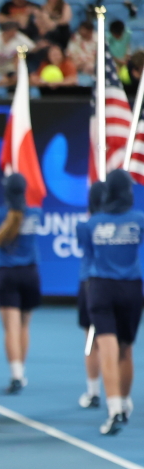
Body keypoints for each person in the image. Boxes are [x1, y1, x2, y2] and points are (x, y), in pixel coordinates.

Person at [85, 169, 144, 434]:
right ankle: (123, 403)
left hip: (101, 288)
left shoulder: (91, 224)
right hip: (131, 289)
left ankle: (115, 409)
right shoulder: (139, 220)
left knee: (107, 348)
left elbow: (88, 255)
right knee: (125, 350)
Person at [0, 173, 41, 393]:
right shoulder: (36, 214)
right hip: (30, 274)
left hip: (7, 275)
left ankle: (16, 375)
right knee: (24, 326)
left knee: (10, 328)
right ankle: (21, 372)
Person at [76, 182, 106, 411]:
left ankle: (93, 392)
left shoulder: (85, 225)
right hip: (118, 285)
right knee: (118, 343)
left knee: (92, 342)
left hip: (90, 285)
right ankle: (121, 398)